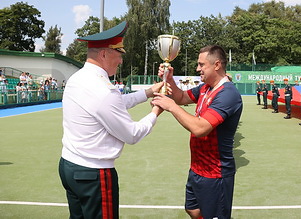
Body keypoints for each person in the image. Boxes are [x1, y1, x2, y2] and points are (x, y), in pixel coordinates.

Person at [58, 21, 164, 219]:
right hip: (93, 174)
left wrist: (147, 92)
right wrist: (156, 112)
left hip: (69, 165)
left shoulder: (78, 78)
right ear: (104, 54)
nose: (121, 61)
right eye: (119, 54)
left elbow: (112, 104)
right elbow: (132, 134)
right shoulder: (103, 90)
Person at [151, 45, 243, 219]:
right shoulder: (205, 88)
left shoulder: (228, 94)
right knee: (193, 209)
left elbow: (200, 128)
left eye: (201, 65)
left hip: (216, 173)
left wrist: (170, 106)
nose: (197, 69)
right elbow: (181, 97)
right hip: (198, 168)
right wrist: (169, 79)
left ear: (216, 65)